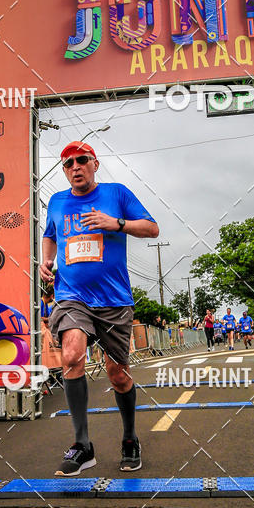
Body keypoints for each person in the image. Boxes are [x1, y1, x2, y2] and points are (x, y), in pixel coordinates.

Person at [41, 140, 159, 476]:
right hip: (71, 295)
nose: (75, 167)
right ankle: (82, 445)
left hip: (114, 301)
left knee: (117, 375)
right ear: (64, 171)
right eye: (68, 164)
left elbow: (152, 229)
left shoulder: (116, 194)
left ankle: (130, 438)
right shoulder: (57, 202)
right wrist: (46, 257)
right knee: (72, 355)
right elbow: (50, 234)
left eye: (81, 161)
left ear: (95, 164)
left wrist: (116, 224)